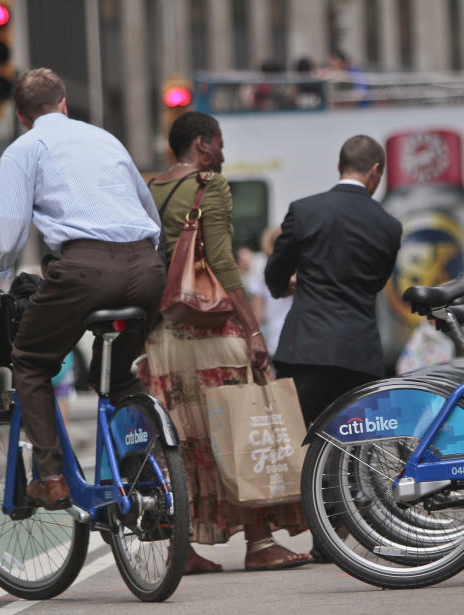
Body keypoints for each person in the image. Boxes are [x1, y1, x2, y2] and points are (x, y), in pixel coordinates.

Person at [0, 68, 166, 510]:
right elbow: (148, 211)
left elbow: (6, 237)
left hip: (85, 270)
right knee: (116, 375)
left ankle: (53, 477)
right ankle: (150, 480)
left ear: (22, 117)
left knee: (31, 363)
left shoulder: (24, 149)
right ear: (64, 104)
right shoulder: (105, 140)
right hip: (146, 267)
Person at [142, 111, 312, 573]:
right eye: (219, 144)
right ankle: (259, 543)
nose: (222, 154)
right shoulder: (209, 186)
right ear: (201, 144)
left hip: (164, 338)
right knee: (241, 429)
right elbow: (220, 259)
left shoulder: (151, 189)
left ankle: (186, 550)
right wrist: (252, 329)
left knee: (182, 444)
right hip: (212, 333)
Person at [265, 135, 402, 427]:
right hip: (360, 353)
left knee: (296, 441)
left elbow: (275, 271)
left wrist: (283, 287)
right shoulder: (389, 226)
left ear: (339, 165)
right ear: (376, 170)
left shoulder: (305, 211)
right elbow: (377, 282)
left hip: (306, 349)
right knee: (357, 446)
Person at [246, 227, 293, 356]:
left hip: (276, 341)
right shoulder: (304, 272)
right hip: (304, 342)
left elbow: (259, 316)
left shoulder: (260, 275)